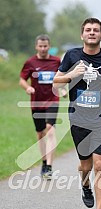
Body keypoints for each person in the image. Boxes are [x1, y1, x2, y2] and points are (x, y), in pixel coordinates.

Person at [53, 18, 101, 209]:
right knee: (86, 166)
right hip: (78, 118)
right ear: (82, 35)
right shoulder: (72, 56)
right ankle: (85, 185)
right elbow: (56, 80)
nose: (92, 33)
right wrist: (72, 75)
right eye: (88, 30)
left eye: (96, 30)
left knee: (100, 164)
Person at [19, 34, 66, 179]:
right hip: (37, 102)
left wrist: (63, 89)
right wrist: (27, 88)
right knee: (40, 134)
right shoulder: (30, 62)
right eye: (40, 46)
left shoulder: (56, 61)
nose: (43, 48)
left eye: (45, 46)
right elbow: (22, 79)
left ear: (49, 47)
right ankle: (44, 162)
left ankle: (50, 167)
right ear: (36, 47)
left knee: (50, 131)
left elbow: (62, 77)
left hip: (52, 100)